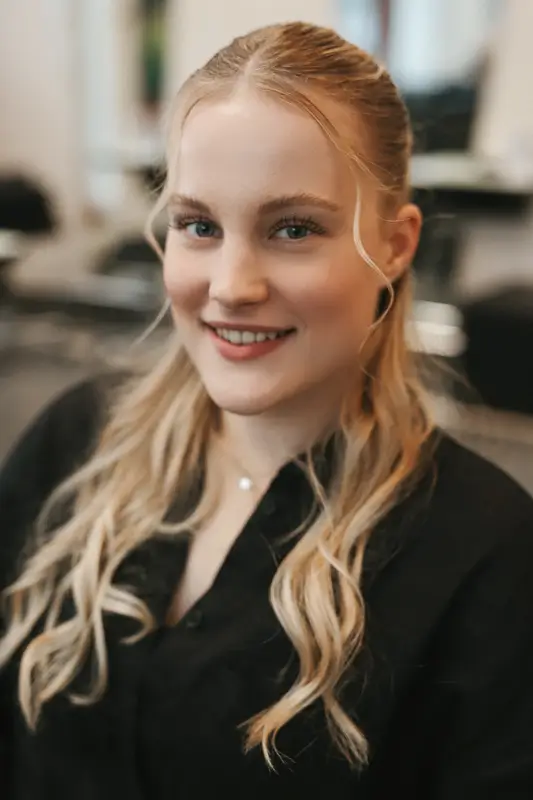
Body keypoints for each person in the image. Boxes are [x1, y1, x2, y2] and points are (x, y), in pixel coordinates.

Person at [1, 21, 533, 800]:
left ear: (393, 244)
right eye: (199, 226)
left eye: (292, 229)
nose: (231, 285)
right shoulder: (79, 439)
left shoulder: (484, 555)